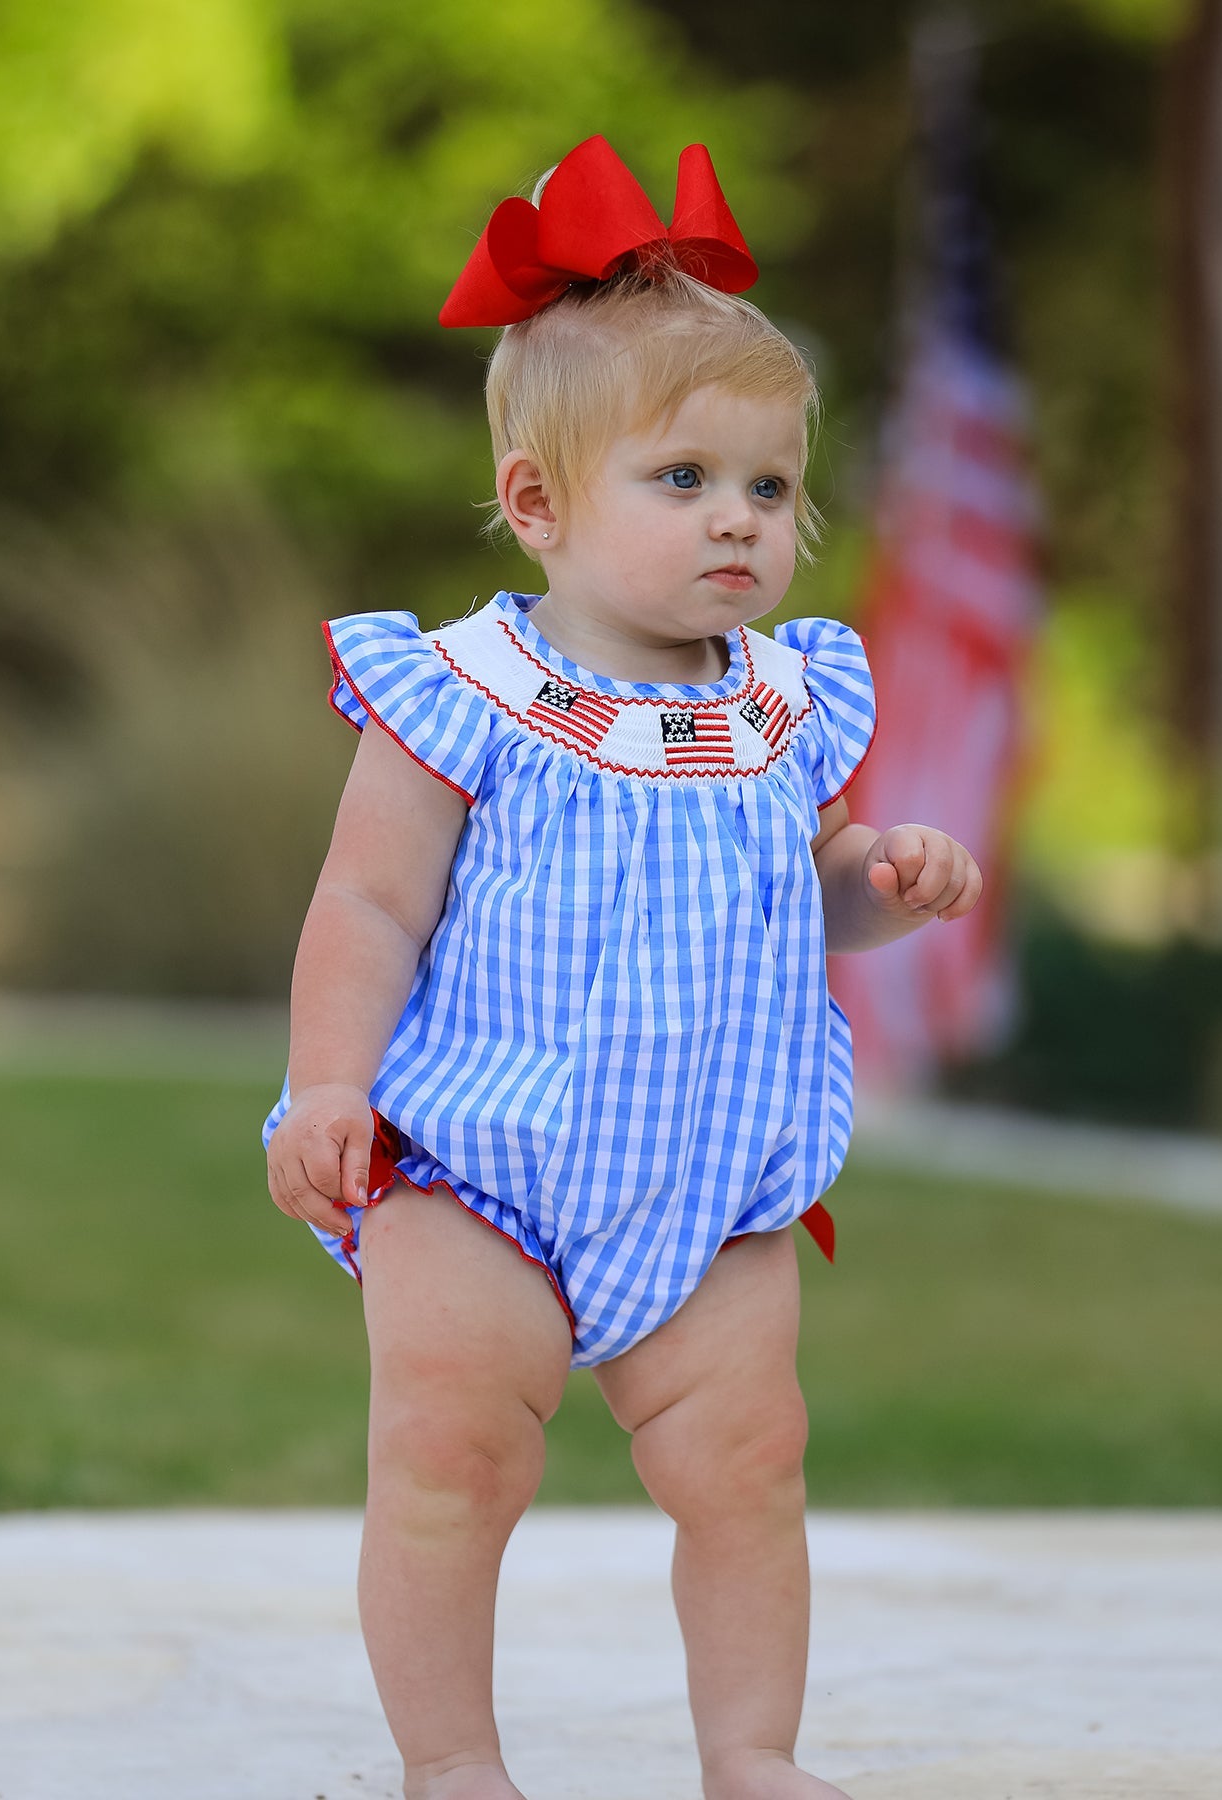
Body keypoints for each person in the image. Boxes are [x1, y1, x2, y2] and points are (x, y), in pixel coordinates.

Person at [263, 136, 982, 1800]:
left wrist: (881, 880)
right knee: (449, 1460)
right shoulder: (465, 693)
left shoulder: (784, 704)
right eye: (683, 479)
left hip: (709, 1172)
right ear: (538, 504)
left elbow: (810, 893)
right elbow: (366, 906)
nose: (738, 518)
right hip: (478, 1162)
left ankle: (751, 1752)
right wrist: (326, 1083)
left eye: (769, 488)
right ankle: (452, 1761)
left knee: (750, 1463)